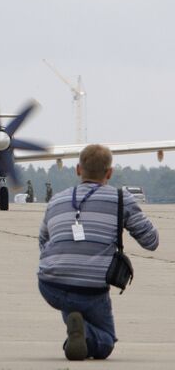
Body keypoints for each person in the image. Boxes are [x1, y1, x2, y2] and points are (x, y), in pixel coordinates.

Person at [38, 144, 158, 360]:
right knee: (106, 341)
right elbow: (151, 242)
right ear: (109, 173)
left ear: (78, 170)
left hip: (50, 285)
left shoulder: (57, 199)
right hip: (91, 289)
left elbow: (43, 242)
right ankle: (85, 335)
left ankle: (77, 326)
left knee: (71, 294)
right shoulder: (121, 199)